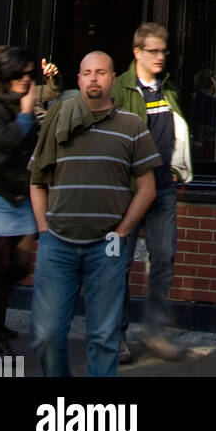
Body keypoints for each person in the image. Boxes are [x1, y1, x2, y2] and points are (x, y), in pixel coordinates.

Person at [29, 51, 159, 378]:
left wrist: (124, 231)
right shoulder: (59, 120)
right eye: (87, 73)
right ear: (79, 79)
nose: (93, 79)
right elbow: (36, 181)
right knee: (45, 336)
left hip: (108, 246)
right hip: (57, 243)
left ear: (113, 78)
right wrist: (43, 228)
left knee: (104, 337)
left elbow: (147, 189)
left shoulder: (132, 126)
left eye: (100, 72)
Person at [113, 22, 192, 363]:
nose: (161, 57)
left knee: (163, 258)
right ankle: (114, 336)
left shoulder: (167, 88)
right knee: (118, 263)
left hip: (162, 188)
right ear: (137, 52)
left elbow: (175, 129)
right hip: (128, 191)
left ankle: (155, 332)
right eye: (154, 51)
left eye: (164, 51)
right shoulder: (120, 89)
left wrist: (176, 169)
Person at [0, 47, 39, 354]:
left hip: (20, 198)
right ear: (5, 76)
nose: (25, 79)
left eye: (29, 74)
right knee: (0, 266)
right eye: (19, 74)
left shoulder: (26, 105)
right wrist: (25, 115)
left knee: (19, 266)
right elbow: (6, 141)